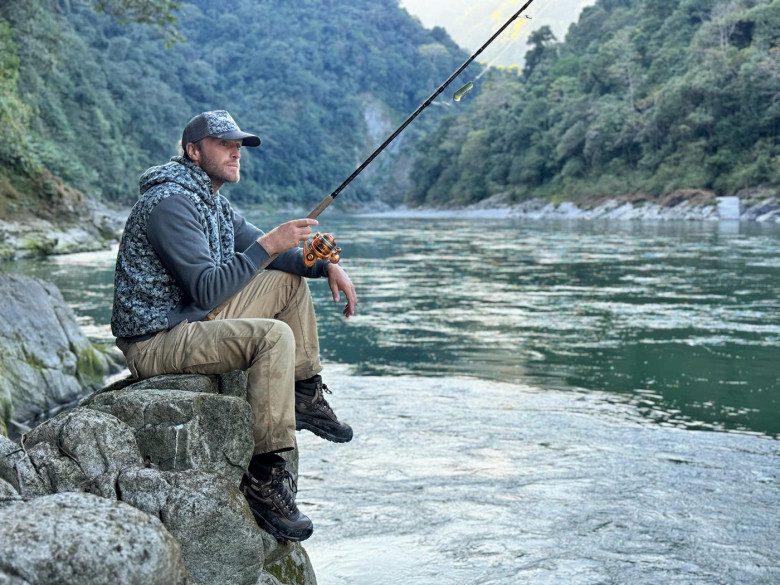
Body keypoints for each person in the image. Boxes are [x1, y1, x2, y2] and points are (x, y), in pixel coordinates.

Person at [110, 110, 357, 542]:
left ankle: (304, 393)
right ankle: (263, 479)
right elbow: (208, 288)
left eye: (238, 144)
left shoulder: (210, 200)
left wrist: (326, 262)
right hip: (155, 338)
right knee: (272, 335)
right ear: (193, 151)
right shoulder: (170, 203)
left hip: (189, 319)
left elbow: (280, 258)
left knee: (288, 282)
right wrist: (268, 244)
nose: (236, 151)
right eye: (225, 144)